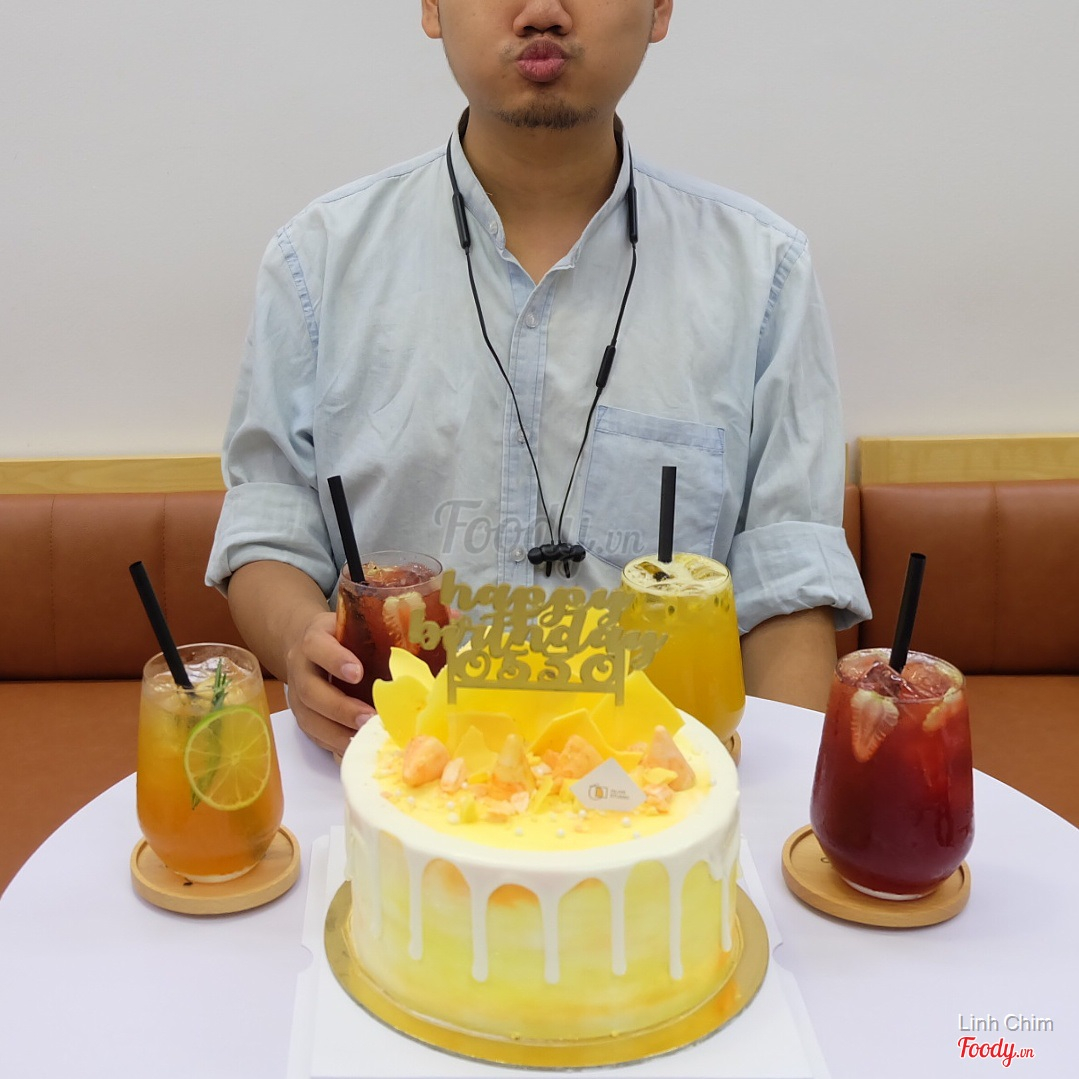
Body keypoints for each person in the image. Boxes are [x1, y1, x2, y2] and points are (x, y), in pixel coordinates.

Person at [207, 0, 870, 757]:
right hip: (395, 773)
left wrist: (768, 803)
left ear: (659, 9)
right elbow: (271, 530)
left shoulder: (762, 272)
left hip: (658, 791)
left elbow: (785, 588)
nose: (543, 11)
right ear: (432, 6)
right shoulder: (318, 260)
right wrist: (301, 640)